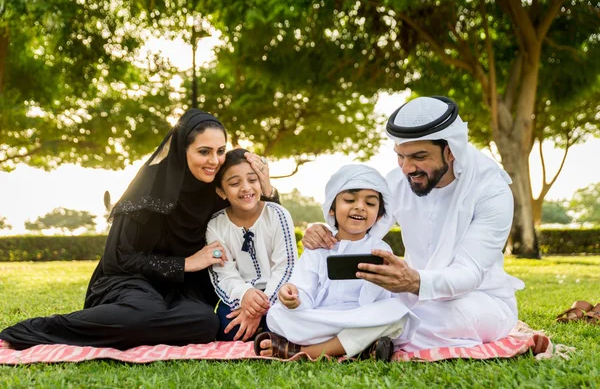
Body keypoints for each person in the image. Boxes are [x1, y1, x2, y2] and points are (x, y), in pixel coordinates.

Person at [0, 109, 279, 350]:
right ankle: (41, 329)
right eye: (204, 152)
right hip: (128, 285)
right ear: (183, 150)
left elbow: (260, 223)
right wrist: (186, 263)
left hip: (185, 294)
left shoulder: (217, 190)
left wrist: (268, 188)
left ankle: (133, 328)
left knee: (205, 323)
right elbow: (118, 258)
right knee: (144, 312)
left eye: (220, 151)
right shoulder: (150, 186)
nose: (214, 161)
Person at [302, 96, 525, 352]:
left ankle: (328, 346)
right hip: (409, 294)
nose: (408, 168)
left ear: (451, 150)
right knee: (362, 303)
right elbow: (358, 231)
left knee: (442, 317)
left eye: (419, 156)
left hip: (478, 300)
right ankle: (372, 341)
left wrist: (414, 282)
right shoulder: (398, 181)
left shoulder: (491, 190)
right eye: (400, 156)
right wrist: (323, 231)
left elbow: (468, 274)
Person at [254, 165, 419, 360]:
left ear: (380, 215)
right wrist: (293, 298)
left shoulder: (382, 250)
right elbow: (303, 287)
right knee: (277, 314)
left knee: (397, 313)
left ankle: (306, 351)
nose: (359, 206)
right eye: (349, 200)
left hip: (361, 317)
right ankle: (362, 348)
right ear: (332, 208)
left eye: (371, 203)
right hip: (321, 318)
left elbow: (381, 300)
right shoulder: (318, 246)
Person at [207, 148, 297, 342]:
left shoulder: (277, 214)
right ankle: (266, 330)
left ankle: (268, 329)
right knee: (228, 328)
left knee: (289, 318)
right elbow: (223, 274)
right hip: (241, 297)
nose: (246, 188)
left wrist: (261, 306)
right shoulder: (215, 225)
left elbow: (286, 266)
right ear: (221, 191)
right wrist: (245, 295)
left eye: (252, 180)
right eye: (234, 183)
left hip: (278, 293)